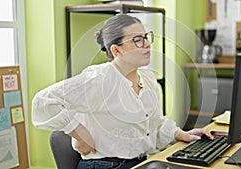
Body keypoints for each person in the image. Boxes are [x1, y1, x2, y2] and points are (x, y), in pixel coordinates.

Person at [31, 14, 213, 169]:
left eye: (146, 37)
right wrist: (78, 132)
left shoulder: (148, 79)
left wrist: (184, 134)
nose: (147, 44)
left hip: (139, 163)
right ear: (116, 50)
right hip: (103, 165)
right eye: (137, 40)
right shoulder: (98, 79)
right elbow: (43, 101)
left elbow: (154, 125)